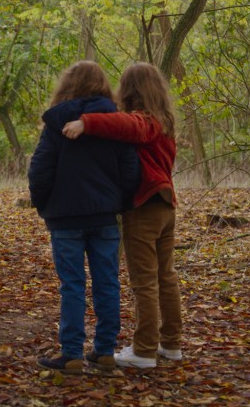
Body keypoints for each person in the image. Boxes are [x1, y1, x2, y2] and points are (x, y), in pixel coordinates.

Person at [63, 62, 183, 369]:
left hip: (145, 208)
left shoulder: (145, 121)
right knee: (165, 278)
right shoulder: (164, 120)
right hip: (165, 205)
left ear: (130, 90)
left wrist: (86, 123)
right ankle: (170, 344)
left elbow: (129, 126)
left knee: (145, 281)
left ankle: (144, 351)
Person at [29, 61, 140, 374]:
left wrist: (44, 205)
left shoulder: (56, 125)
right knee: (107, 282)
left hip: (65, 218)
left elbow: (40, 170)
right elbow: (130, 170)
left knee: (73, 286)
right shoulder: (116, 124)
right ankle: (104, 351)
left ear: (67, 86)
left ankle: (73, 353)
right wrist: (120, 203)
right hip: (104, 217)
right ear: (103, 87)